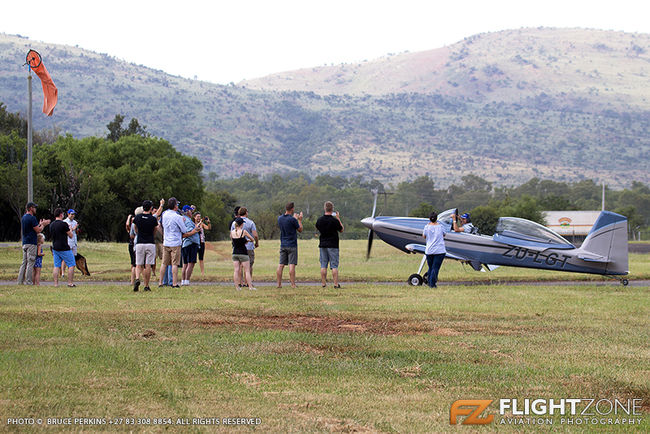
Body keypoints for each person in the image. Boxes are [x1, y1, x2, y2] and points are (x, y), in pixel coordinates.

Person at [158, 197, 200, 288]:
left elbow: (161, 225)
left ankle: (160, 282)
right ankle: (174, 283)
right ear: (175, 206)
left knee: (164, 263)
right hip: (175, 242)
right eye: (177, 204)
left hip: (166, 241)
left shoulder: (164, 214)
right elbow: (184, 230)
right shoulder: (177, 217)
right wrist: (182, 221)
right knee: (174, 264)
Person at [17, 202, 50, 285]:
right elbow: (38, 230)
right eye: (34, 207)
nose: (35, 209)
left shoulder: (24, 217)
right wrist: (43, 225)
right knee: (30, 262)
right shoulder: (32, 218)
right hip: (31, 243)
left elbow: (33, 227)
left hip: (25, 242)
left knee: (24, 263)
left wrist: (39, 224)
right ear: (31, 208)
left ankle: (20, 281)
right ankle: (29, 282)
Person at [132, 200, 159, 292]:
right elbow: (155, 230)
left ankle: (137, 278)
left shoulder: (138, 217)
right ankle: (146, 285)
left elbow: (135, 228)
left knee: (138, 264)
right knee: (148, 265)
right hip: (150, 243)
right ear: (151, 208)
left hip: (140, 243)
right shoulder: (153, 219)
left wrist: (138, 233)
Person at [315, 201, 344, 288]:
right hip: (333, 244)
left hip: (323, 244)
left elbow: (317, 228)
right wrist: (338, 218)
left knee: (323, 265)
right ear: (332, 209)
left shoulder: (319, 220)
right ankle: (335, 284)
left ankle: (323, 284)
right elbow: (341, 229)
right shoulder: (334, 221)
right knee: (334, 265)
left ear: (325, 208)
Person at [276, 202, 303, 288]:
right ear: (292, 209)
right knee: (292, 265)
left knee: (281, 264)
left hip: (283, 244)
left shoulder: (279, 218)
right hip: (292, 244)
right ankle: (293, 284)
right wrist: (299, 220)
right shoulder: (292, 219)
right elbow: (300, 229)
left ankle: (279, 284)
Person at [230, 207, 259, 283]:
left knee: (238, 267)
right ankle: (248, 282)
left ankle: (240, 282)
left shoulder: (234, 223)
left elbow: (231, 235)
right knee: (248, 266)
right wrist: (256, 243)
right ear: (246, 212)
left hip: (237, 247)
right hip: (248, 247)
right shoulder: (251, 222)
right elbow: (255, 235)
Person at [50, 208, 76, 287]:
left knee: (56, 266)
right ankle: (70, 282)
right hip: (64, 247)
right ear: (61, 215)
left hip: (55, 247)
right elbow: (71, 235)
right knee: (71, 264)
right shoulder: (63, 224)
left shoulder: (52, 225)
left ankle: (55, 283)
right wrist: (70, 229)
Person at [230, 217, 256, 291]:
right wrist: (246, 240)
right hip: (243, 253)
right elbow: (252, 239)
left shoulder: (232, 232)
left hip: (235, 253)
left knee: (236, 270)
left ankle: (237, 287)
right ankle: (250, 286)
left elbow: (234, 241)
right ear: (241, 224)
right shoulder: (243, 231)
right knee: (247, 270)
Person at [422, 211, 446, 288]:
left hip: (429, 250)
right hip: (439, 250)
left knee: (431, 267)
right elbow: (444, 234)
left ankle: (429, 282)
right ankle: (432, 284)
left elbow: (424, 236)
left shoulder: (426, 227)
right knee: (435, 268)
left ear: (429, 218)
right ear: (436, 218)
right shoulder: (441, 226)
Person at [180, 205, 200, 286]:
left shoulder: (183, 219)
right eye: (190, 211)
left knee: (185, 264)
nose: (192, 212)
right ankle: (187, 281)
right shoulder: (188, 221)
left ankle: (183, 280)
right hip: (190, 244)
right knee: (190, 263)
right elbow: (186, 233)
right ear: (187, 212)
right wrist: (195, 230)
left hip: (185, 244)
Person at [61, 209, 79, 277]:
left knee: (72, 257)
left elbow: (75, 232)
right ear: (68, 214)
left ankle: (70, 272)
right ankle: (63, 273)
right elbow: (67, 231)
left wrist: (76, 229)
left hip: (74, 241)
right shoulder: (65, 222)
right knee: (65, 258)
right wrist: (73, 229)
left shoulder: (75, 222)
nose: (73, 216)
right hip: (68, 241)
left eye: (73, 214)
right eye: (71, 214)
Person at [193, 211, 211, 277]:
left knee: (201, 258)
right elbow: (196, 228)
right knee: (193, 259)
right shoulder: (192, 223)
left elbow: (208, 228)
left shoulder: (202, 224)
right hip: (195, 242)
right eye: (197, 217)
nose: (199, 218)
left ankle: (202, 273)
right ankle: (190, 271)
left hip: (201, 242)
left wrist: (208, 222)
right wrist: (200, 222)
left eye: (199, 217)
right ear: (194, 217)